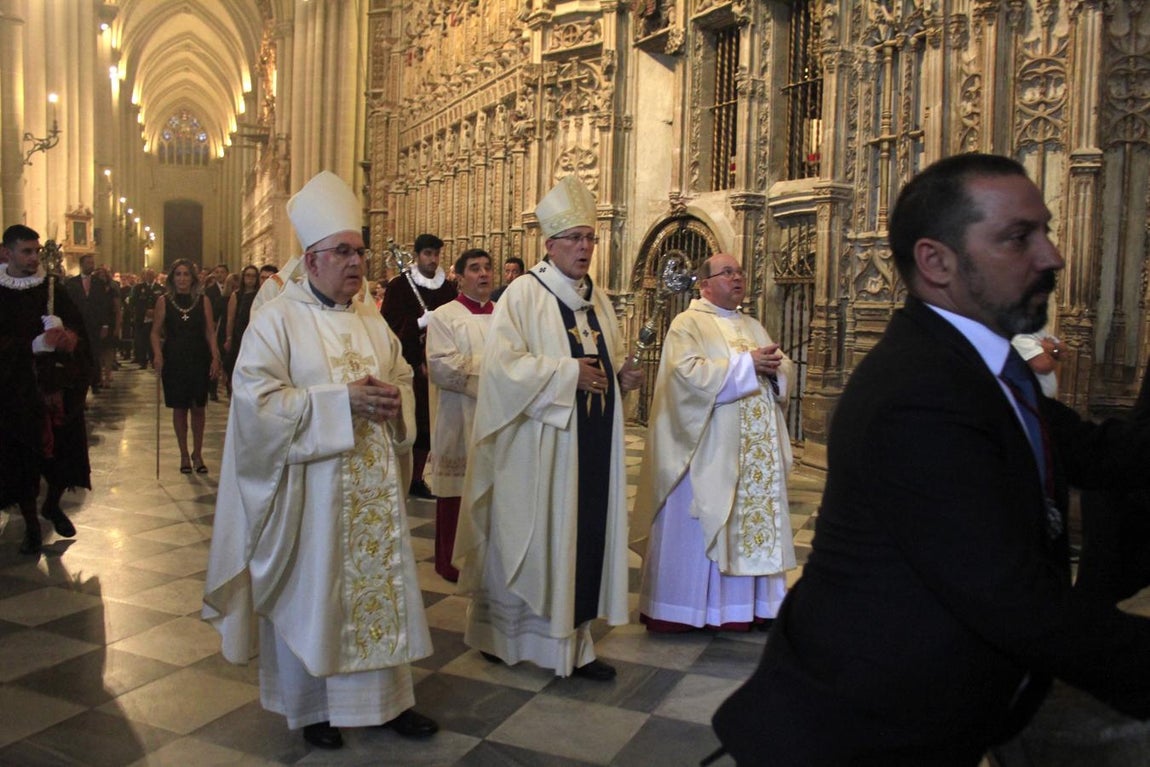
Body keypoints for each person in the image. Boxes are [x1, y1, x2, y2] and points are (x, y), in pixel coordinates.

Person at [711, 153, 1150, 766]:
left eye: (1044, 231)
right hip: (860, 739)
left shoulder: (981, 369)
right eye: (1019, 237)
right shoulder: (917, 394)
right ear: (936, 261)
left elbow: (1111, 456)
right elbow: (1013, 601)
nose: (1051, 255)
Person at [203, 170, 436, 751]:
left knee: (379, 588)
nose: (356, 262)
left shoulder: (370, 318)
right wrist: (342, 403)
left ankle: (389, 702)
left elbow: (402, 375)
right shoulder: (276, 321)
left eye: (360, 251)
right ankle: (311, 708)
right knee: (316, 594)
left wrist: (394, 402)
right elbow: (257, 406)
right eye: (343, 252)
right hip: (310, 495)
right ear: (310, 260)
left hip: (373, 493)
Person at [454, 175, 643, 680]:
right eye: (575, 239)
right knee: (533, 538)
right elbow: (499, 370)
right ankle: (503, 637)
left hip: (590, 444)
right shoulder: (523, 294)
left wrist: (622, 375)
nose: (584, 248)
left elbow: (607, 360)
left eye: (590, 239)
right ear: (550, 245)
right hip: (538, 447)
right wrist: (566, 374)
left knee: (580, 538)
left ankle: (574, 647)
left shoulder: (595, 298)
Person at [632, 252, 796, 633]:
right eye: (727, 273)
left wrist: (775, 370)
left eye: (739, 272)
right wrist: (746, 365)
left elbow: (781, 365)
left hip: (753, 455)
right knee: (706, 521)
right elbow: (684, 376)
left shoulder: (753, 324)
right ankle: (691, 611)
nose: (737, 278)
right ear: (705, 284)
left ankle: (753, 607)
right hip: (708, 450)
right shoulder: (687, 324)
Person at [0, 225, 87, 554]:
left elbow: (78, 326)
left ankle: (52, 504)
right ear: (8, 252)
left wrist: (67, 336)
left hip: (53, 386)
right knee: (22, 456)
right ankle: (32, 526)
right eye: (27, 251)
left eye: (36, 251)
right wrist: (31, 345)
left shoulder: (51, 287)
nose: (34, 257)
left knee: (64, 452)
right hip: (14, 388)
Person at [426, 249, 495, 582]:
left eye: (487, 268)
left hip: (497, 419)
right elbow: (442, 366)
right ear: (460, 276)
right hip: (459, 417)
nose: (483, 274)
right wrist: (497, 378)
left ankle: (489, 563)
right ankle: (453, 562)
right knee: (458, 490)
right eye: (474, 269)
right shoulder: (444, 315)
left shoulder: (507, 315)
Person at [151, 260, 222, 474]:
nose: (182, 279)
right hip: (174, 358)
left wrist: (215, 356)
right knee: (180, 408)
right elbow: (155, 332)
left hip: (198, 357)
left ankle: (197, 453)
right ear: (173, 278)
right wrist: (157, 354)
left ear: (193, 278)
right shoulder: (164, 301)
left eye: (186, 275)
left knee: (198, 407)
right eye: (178, 274)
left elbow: (210, 331)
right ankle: (183, 453)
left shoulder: (203, 301)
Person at [66, 254, 117, 392]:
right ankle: (81, 383)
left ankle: (95, 382)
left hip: (95, 324)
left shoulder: (98, 283)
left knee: (95, 354)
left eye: (92, 263)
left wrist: (105, 325)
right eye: (88, 263)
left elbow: (104, 305)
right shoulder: (72, 283)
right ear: (82, 264)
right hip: (78, 325)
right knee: (79, 354)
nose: (91, 265)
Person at [222, 265, 260, 389]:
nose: (250, 279)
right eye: (248, 275)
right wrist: (228, 338)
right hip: (239, 335)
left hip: (254, 335)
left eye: (253, 276)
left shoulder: (260, 295)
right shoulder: (237, 295)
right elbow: (231, 318)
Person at [128, 268, 164, 367]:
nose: (149, 277)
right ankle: (142, 361)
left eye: (151, 275)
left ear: (155, 276)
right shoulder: (138, 288)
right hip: (142, 318)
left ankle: (153, 360)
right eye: (148, 275)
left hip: (155, 318)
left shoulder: (160, 289)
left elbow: (163, 303)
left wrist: (155, 311)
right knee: (141, 340)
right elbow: (134, 302)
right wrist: (145, 311)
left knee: (153, 339)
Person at [1011, 329, 1061, 398]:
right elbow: (1044, 367)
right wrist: (1051, 351)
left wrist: (1053, 350)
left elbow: (1063, 353)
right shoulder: (1020, 336)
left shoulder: (1038, 331)